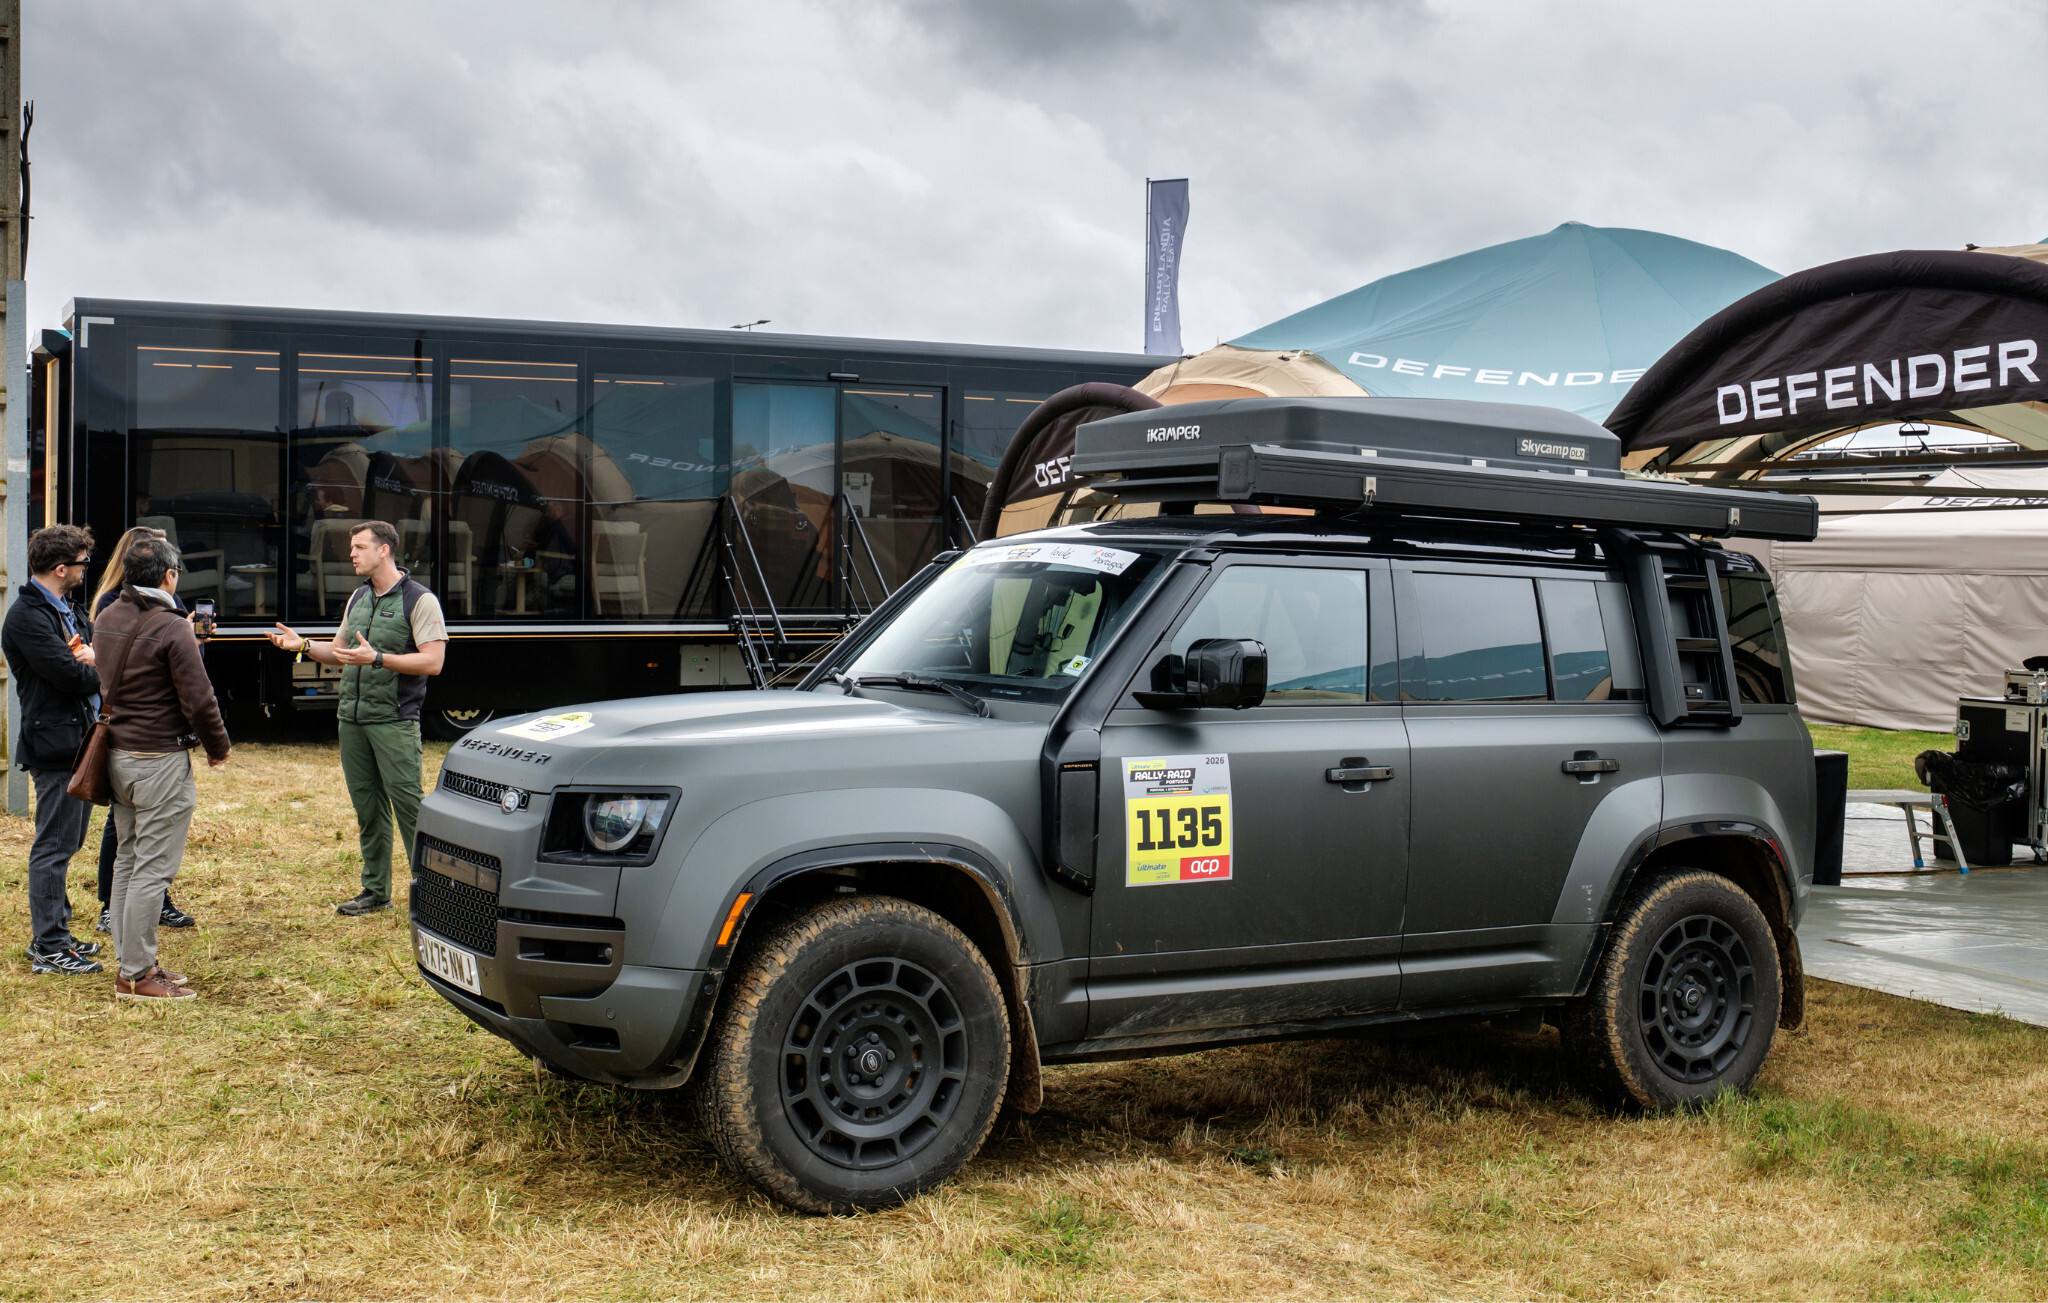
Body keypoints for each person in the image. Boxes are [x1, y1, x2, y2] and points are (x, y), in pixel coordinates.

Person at [267, 520, 447, 916]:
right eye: (352, 547)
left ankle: (434, 896)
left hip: (394, 720)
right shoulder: (359, 597)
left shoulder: (420, 600)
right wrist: (303, 645)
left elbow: (433, 662)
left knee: (409, 809)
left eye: (359, 547)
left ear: (384, 550)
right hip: (351, 718)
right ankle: (376, 892)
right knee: (368, 809)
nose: (351, 554)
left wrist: (378, 658)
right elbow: (339, 652)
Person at [94, 536, 231, 1000]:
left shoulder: (107, 616)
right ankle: (136, 974)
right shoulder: (173, 627)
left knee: (128, 861)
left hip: (117, 755)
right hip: (158, 759)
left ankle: (133, 963)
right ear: (170, 576)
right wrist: (218, 746)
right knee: (151, 869)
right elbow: (200, 699)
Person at [2, 525, 107, 975]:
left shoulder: (65, 608)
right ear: (61, 568)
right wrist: (104, 667)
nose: (87, 569)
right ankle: (49, 946)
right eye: (83, 563)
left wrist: (96, 660)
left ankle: (56, 932)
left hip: (77, 739)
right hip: (55, 743)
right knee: (54, 846)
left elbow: (92, 657)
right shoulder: (27, 616)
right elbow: (69, 674)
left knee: (68, 841)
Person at [88, 525, 199, 934]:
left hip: (140, 739)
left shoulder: (163, 607)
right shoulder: (111, 604)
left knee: (141, 848)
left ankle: (143, 914)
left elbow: (173, 662)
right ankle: (117, 921)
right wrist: (218, 744)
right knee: (130, 843)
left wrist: (191, 640)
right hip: (140, 741)